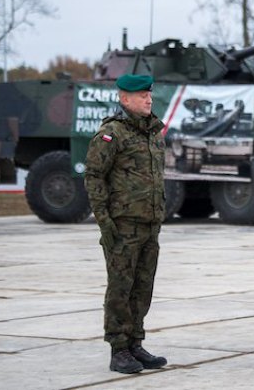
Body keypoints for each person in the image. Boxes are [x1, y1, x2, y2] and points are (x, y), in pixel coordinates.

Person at [84, 74, 167, 374]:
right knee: (121, 287)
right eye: (142, 95)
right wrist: (105, 224)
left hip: (149, 226)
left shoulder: (154, 134)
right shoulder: (112, 134)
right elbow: (94, 177)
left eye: (149, 95)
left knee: (143, 288)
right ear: (124, 99)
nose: (148, 99)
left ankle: (135, 342)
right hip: (122, 227)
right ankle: (118, 348)